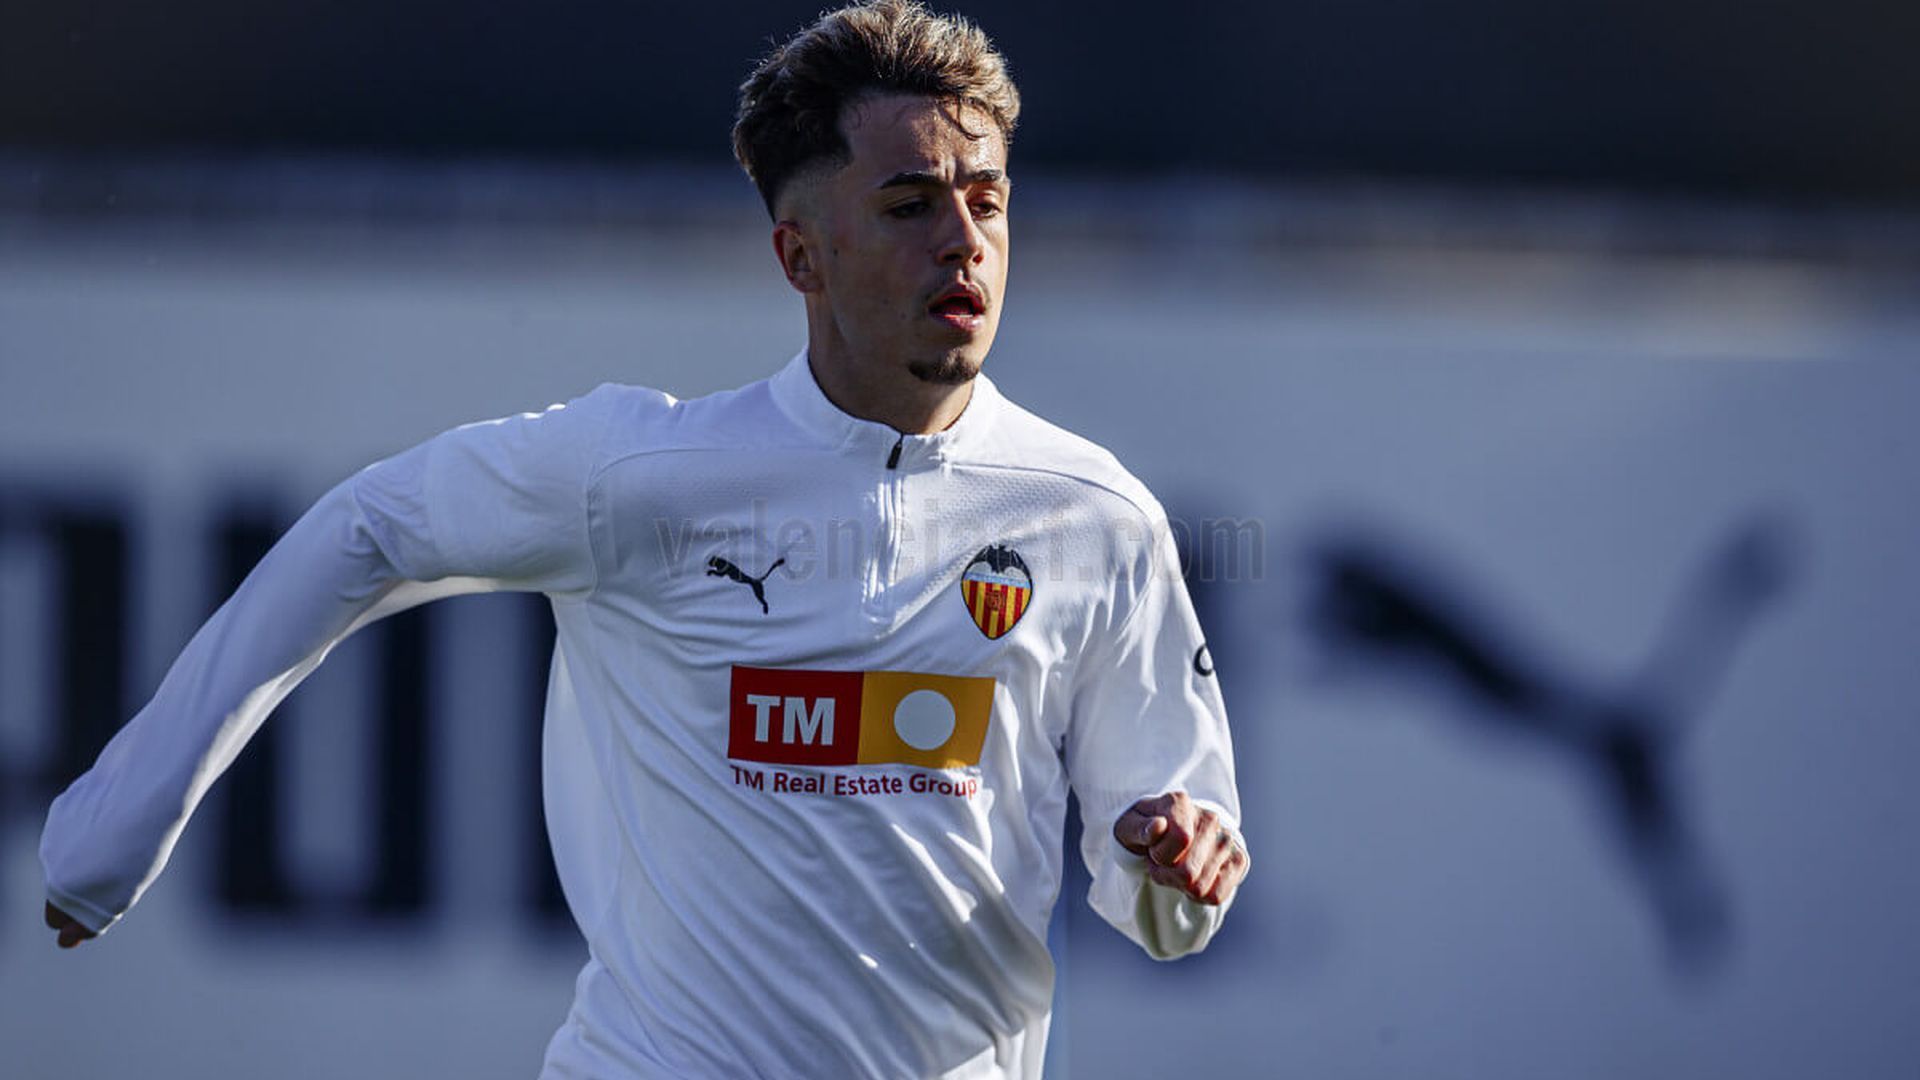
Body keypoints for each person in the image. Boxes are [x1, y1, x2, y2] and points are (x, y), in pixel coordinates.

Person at [40, 1, 1248, 1075]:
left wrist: (1172, 859)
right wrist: (112, 829)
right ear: (800, 257)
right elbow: (366, 529)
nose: (964, 242)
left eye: (986, 202)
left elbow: (1166, 890)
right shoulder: (640, 474)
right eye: (908, 204)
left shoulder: (1095, 515)